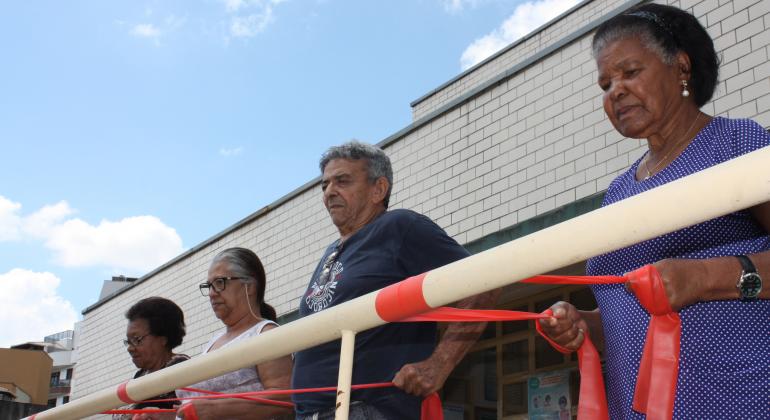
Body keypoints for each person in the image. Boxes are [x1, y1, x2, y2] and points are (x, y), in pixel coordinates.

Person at [538, 4, 770, 419]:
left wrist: (704, 278)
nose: (615, 92)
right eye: (605, 84)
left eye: (630, 72)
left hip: (736, 399)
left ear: (681, 67)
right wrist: (583, 326)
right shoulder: (618, 192)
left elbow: (683, 285)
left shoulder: (737, 143)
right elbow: (626, 313)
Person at [292, 141, 499, 419]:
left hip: (367, 410)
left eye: (342, 181)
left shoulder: (399, 226)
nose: (330, 192)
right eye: (325, 185)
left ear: (378, 189)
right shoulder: (331, 251)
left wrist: (439, 364)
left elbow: (485, 281)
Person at [174, 248, 293, 419]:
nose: (212, 293)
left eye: (220, 282)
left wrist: (214, 409)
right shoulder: (213, 342)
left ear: (250, 286)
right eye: (209, 286)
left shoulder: (266, 334)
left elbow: (285, 398)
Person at [116, 297, 189, 420]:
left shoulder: (181, 367)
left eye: (136, 340)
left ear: (163, 338)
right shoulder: (140, 375)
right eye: (128, 342)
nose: (129, 348)